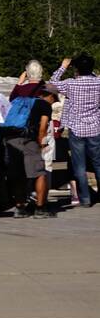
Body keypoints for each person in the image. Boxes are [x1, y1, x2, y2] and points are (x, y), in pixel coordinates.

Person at [2, 67, 56, 218]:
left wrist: (20, 81)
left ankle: (20, 208)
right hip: (29, 140)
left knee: (18, 174)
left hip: (12, 138)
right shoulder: (42, 104)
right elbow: (43, 126)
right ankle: (40, 208)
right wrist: (42, 143)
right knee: (39, 173)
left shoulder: (16, 100)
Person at [51, 54, 100, 208]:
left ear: (76, 69)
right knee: (98, 164)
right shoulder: (98, 82)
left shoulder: (70, 84)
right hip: (94, 127)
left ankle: (85, 199)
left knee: (79, 166)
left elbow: (51, 84)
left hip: (76, 128)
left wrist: (63, 67)